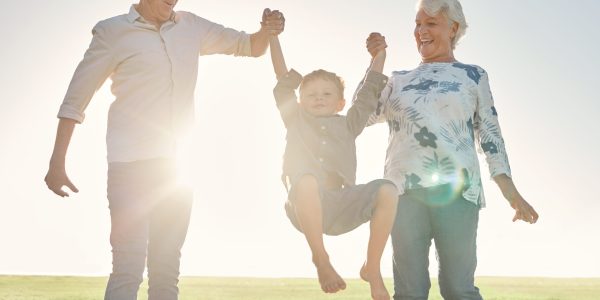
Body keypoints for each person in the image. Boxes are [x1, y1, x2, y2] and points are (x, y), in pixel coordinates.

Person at [43, 1, 284, 299]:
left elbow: (250, 46)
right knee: (128, 267)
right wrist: (57, 163)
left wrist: (266, 29)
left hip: (177, 170)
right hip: (130, 168)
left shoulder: (191, 26)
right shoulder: (112, 31)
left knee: (166, 270)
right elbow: (74, 100)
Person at [364, 0, 540, 299]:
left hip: (458, 193)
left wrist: (510, 192)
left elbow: (491, 135)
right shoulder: (398, 79)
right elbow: (363, 114)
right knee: (409, 292)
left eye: (430, 23)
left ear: (453, 28)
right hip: (402, 194)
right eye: (418, 24)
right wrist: (376, 61)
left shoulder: (473, 76)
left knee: (458, 289)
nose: (421, 31)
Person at [269, 20, 399, 300]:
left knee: (388, 189)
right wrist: (272, 37)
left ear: (340, 102)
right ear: (300, 101)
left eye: (327, 94)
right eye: (311, 95)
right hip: (304, 206)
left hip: (342, 205)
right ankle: (321, 260)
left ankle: (372, 269)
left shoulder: (349, 124)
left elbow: (367, 95)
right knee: (304, 179)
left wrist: (379, 56)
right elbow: (282, 77)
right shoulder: (295, 120)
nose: (318, 98)